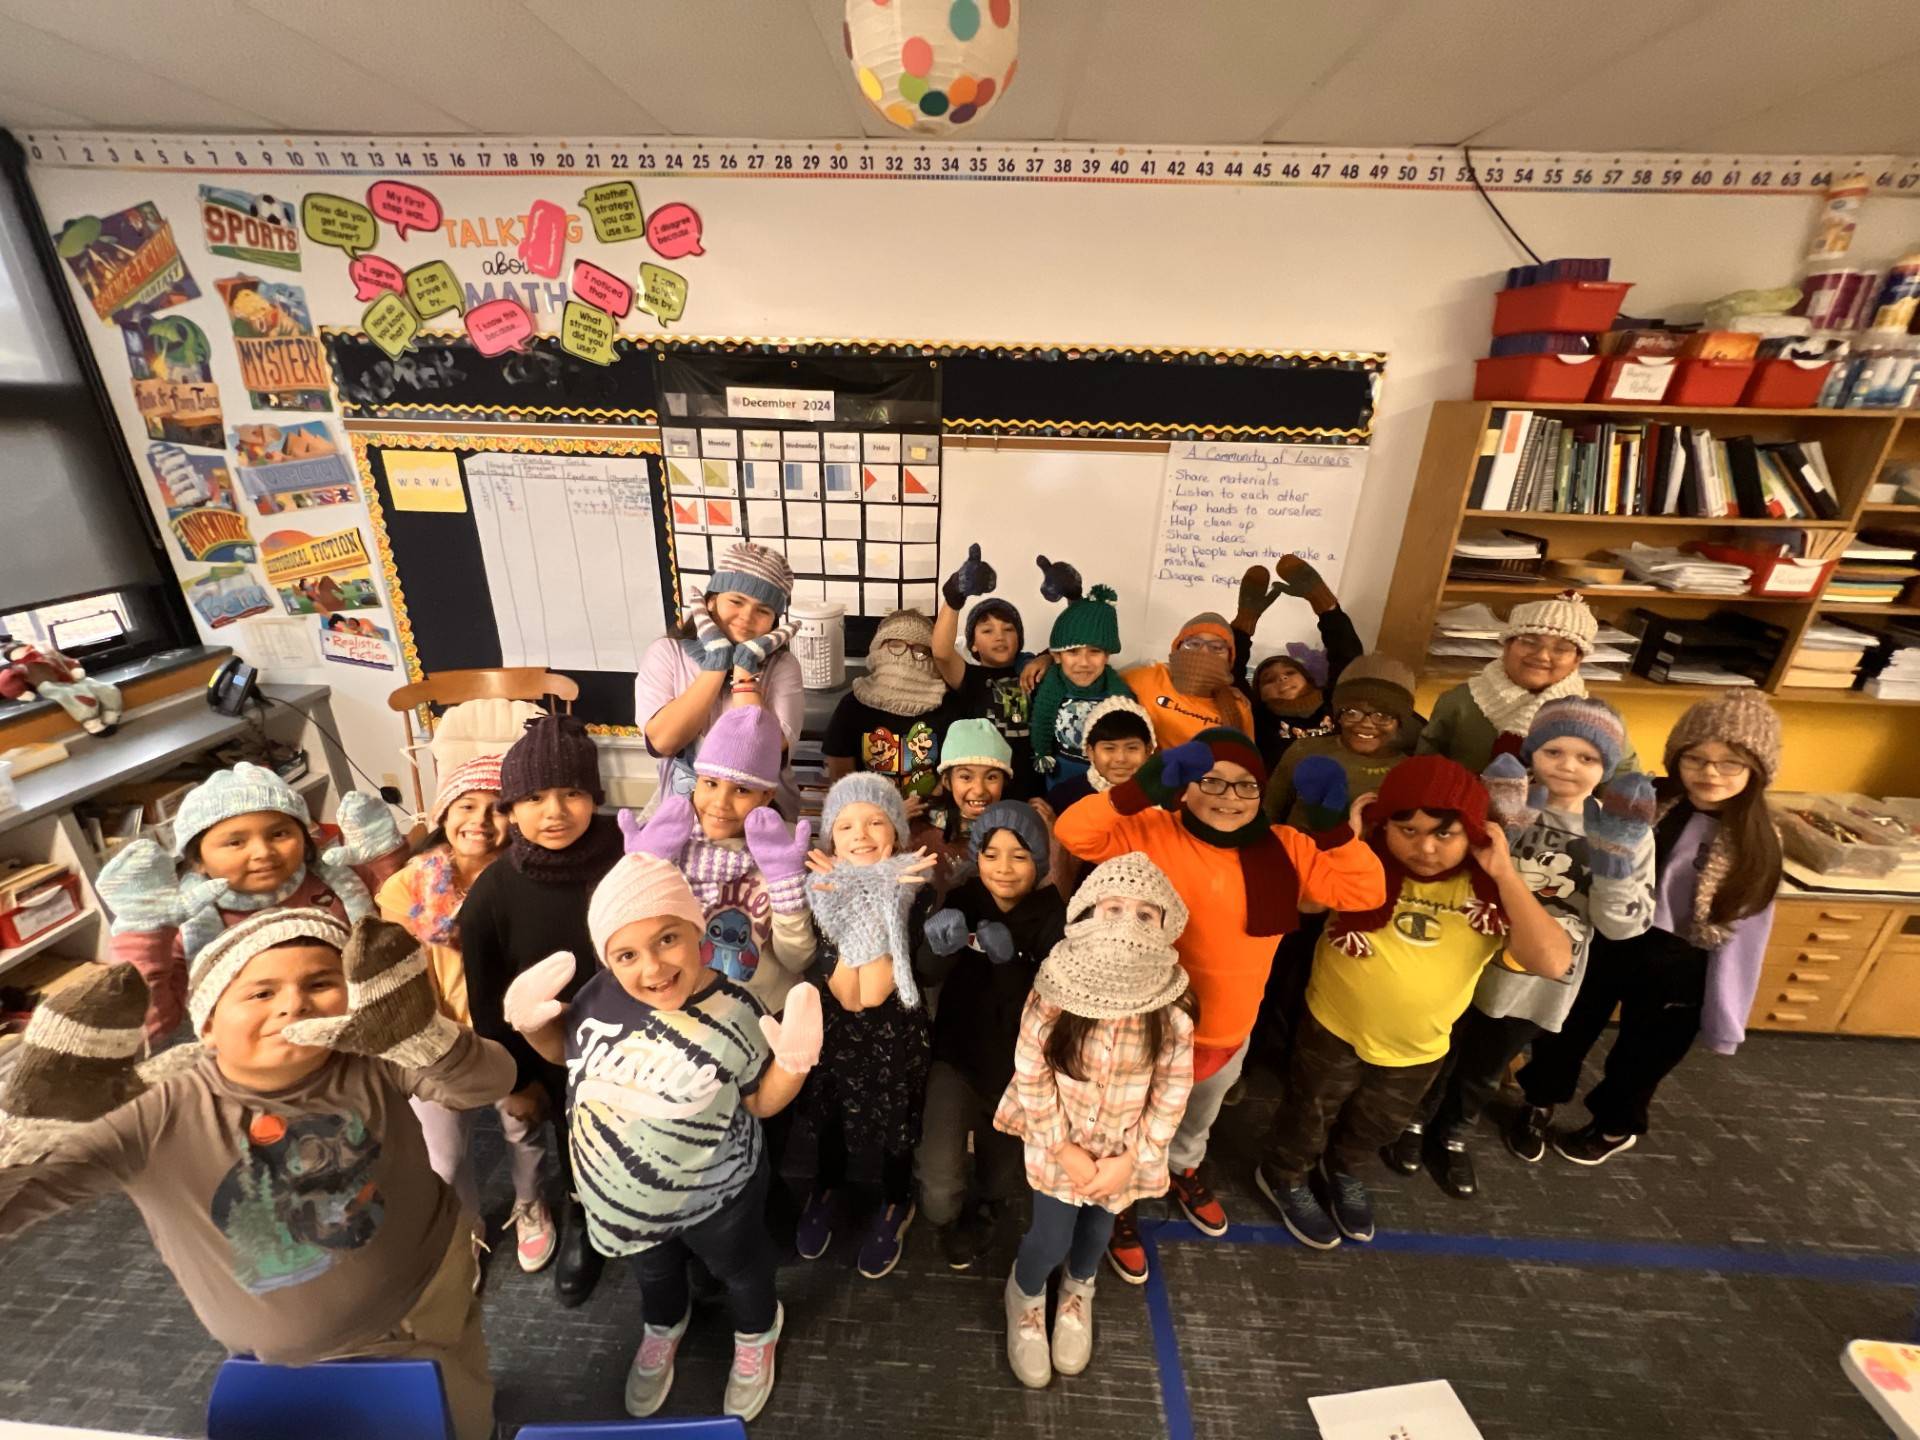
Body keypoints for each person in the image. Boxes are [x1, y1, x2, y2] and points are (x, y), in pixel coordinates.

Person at [0, 911, 517, 1440]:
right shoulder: (151, 1112)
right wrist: (31, 1130)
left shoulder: (369, 1057)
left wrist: (423, 1036)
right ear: (206, 1024)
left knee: (461, 1404)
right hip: (284, 1359)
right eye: (261, 993)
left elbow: (489, 1082)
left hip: (431, 1287)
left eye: (320, 984)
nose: (294, 1004)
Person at [499, 854, 823, 1423]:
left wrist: (794, 1065)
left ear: (697, 931)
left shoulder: (736, 1010)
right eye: (627, 955)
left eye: (668, 939)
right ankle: (664, 1325)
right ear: (608, 959)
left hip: (717, 1197)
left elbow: (759, 1103)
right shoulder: (597, 995)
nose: (652, 968)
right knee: (653, 1274)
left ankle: (757, 1331)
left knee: (741, 1272)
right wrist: (532, 1026)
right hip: (624, 1206)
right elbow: (568, 1055)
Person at [1052, 728, 1385, 1282]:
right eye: (1212, 781)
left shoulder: (1287, 846)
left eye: (1245, 785)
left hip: (1229, 1028)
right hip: (1148, 1027)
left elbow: (1365, 893)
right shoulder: (1153, 830)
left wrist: (1332, 829)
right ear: (1185, 786)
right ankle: (1123, 1201)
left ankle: (1183, 1170)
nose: (1229, 797)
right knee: (1130, 1125)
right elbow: (1074, 832)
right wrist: (1139, 788)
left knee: (1198, 1119)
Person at [1252, 756, 1572, 1250]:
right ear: (1384, 825)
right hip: (1333, 1028)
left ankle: (1343, 1170)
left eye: (1445, 834)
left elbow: (1551, 961)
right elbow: (1305, 903)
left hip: (1418, 1047)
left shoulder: (1486, 892)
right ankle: (1285, 1174)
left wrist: (1505, 873)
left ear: (1475, 833)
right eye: (1408, 830)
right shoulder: (1363, 865)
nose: (1425, 847)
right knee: (1308, 1113)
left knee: (1377, 1124)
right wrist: (1344, 842)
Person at [1387, 698, 1656, 1198]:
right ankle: (1414, 1121)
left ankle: (1453, 1134)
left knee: (1486, 1067)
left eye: (1587, 757)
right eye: (1554, 751)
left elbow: (1622, 928)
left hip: (1538, 978)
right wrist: (1498, 825)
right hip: (1466, 959)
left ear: (1608, 766)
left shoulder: (1622, 830)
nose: (1568, 766)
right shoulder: (1507, 802)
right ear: (1532, 752)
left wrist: (1614, 862)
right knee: (1437, 1048)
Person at [1516, 690, 1782, 1167]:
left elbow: (1746, 937)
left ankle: (1615, 1125)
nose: (1710, 773)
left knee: (1643, 1055)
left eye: (1730, 764)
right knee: (1565, 1027)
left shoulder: (1757, 840)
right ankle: (1538, 1100)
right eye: (1696, 758)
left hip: (1679, 960)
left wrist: (1725, 1017)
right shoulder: (1641, 799)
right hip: (1608, 937)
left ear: (1756, 771)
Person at [993, 854, 1195, 1390]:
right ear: (1087, 915)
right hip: (1058, 1147)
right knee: (1050, 1237)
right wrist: (1063, 1150)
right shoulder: (1054, 990)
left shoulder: (1171, 1007)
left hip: (1122, 1156)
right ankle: (1025, 1293)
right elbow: (1030, 1070)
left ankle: (1078, 1291)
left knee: (1098, 1232)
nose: (1128, 924)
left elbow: (1173, 1089)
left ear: (1165, 925)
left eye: (1145, 914)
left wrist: (1133, 1158)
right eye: (1113, 908)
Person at [458, 714, 625, 1306]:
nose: (554, 812)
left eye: (572, 793)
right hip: (552, 1055)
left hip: (635, 1038)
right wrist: (515, 1082)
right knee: (572, 1137)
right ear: (511, 808)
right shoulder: (494, 890)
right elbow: (485, 996)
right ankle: (585, 1217)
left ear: (594, 797)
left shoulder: (628, 855)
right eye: (534, 798)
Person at [376, 753, 556, 1275]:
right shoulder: (407, 887)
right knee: (445, 1157)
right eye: (466, 805)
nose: (480, 820)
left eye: (497, 808)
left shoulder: (529, 880)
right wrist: (429, 1050)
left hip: (509, 1037)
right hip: (436, 1040)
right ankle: (465, 1225)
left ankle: (530, 1204)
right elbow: (400, 979)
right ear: (443, 814)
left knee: (523, 1129)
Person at [95, 762, 407, 1041]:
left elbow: (408, 921)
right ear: (197, 860)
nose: (262, 852)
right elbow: (150, 1027)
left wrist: (387, 859)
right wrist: (144, 934)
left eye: (279, 834)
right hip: (264, 1051)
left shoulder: (342, 880)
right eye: (235, 842)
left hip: (363, 1025)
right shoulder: (185, 925)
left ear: (305, 837)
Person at [796, 774, 939, 1278]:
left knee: (897, 1122)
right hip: (837, 1026)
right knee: (831, 1114)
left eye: (876, 821)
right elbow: (843, 988)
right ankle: (826, 1188)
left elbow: (877, 989)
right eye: (846, 825)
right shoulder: (821, 888)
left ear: (896, 833)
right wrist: (856, 897)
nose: (861, 834)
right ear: (830, 840)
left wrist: (882, 899)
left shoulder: (914, 888)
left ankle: (897, 1201)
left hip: (895, 1030)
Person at [914, 801, 1066, 1273]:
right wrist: (935, 948)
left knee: (1000, 1175)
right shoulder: (965, 899)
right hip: (956, 1056)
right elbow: (927, 975)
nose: (1003, 868)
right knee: (938, 1184)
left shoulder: (1053, 916)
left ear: (1038, 861)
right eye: (991, 853)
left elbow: (1052, 1008)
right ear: (976, 855)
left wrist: (1010, 963)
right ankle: (946, 1218)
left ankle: (987, 1210)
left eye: (1019, 856)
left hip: (1019, 1071)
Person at [616, 706, 817, 1015]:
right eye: (710, 783)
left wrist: (786, 886)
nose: (721, 803)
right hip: (681, 1015)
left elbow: (797, 960)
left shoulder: (786, 851)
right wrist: (644, 870)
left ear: (766, 796)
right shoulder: (665, 842)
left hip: (762, 1015)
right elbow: (631, 944)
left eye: (741, 790)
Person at [634, 540, 806, 817]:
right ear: (711, 601)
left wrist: (744, 669)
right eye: (736, 601)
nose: (746, 617)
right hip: (680, 813)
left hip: (763, 817)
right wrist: (717, 664)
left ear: (774, 621)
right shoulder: (667, 652)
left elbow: (762, 754)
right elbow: (663, 742)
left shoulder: (783, 666)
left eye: (763, 610)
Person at [1417, 591, 1631, 775]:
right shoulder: (1460, 701)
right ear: (1507, 646)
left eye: (1561, 649)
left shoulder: (1598, 718)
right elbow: (1424, 764)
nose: (1542, 656)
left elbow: (1622, 780)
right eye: (1529, 642)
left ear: (1577, 659)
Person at [1230, 559, 1365, 770]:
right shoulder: (1259, 717)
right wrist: (1244, 622)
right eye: (1268, 679)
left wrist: (1325, 605)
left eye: (1290, 672)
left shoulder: (1334, 702)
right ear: (1260, 695)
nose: (1281, 678)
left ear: (1308, 680)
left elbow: (1348, 657)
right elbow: (1230, 674)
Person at [1264, 654, 1421, 829]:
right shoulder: (1305, 750)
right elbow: (1268, 814)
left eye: (1382, 716)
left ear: (1400, 722)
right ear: (1338, 715)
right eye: (1352, 713)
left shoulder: (1411, 774)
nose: (1366, 724)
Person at [933, 543, 1036, 797]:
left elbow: (1066, 653)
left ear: (1019, 639)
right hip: (980, 793)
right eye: (987, 631)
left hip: (1028, 790)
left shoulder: (1033, 672)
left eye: (1008, 629)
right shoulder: (971, 677)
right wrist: (954, 595)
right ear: (974, 645)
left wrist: (1043, 660)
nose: (999, 636)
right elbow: (942, 652)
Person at [1033, 695, 1156, 900]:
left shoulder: (1163, 799)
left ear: (1149, 750)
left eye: (1132, 748)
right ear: (1090, 752)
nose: (1121, 758)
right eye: (1109, 748)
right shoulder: (1065, 796)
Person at [822, 608, 948, 807]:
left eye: (919, 650)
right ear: (878, 649)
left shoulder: (947, 705)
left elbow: (954, 775)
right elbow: (841, 782)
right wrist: (887, 813)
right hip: (870, 815)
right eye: (895, 645)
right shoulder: (852, 707)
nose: (906, 655)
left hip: (929, 815)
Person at [1027, 562, 1130, 785]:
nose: (1084, 662)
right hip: (1059, 778)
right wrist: (1042, 754)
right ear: (1057, 656)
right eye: (1073, 652)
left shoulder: (1118, 692)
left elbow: (1131, 734)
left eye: (1095, 652)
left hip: (1104, 782)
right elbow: (1041, 722)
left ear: (1107, 656)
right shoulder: (1050, 684)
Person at [1123, 612, 1256, 752]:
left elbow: (1245, 758)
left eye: (1217, 647)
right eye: (1194, 644)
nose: (1204, 652)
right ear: (1177, 648)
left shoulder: (1238, 706)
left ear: (1230, 659)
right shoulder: (1145, 678)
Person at [917, 717, 1016, 889]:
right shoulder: (921, 829)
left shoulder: (1017, 828)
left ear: (1004, 781)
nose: (979, 790)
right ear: (947, 782)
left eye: (991, 777)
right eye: (966, 777)